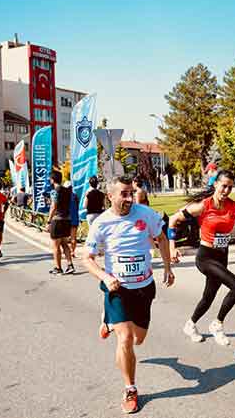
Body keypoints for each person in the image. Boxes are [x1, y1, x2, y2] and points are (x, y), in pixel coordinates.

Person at [83, 176, 174, 414]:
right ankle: (130, 388)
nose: (128, 198)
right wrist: (105, 277)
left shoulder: (145, 213)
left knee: (138, 339)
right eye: (123, 194)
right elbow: (87, 259)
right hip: (117, 289)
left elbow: (162, 238)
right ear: (110, 196)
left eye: (130, 193)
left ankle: (108, 319)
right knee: (124, 339)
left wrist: (167, 267)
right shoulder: (101, 223)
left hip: (144, 287)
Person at [169, 170, 235, 346]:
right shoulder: (203, 206)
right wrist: (172, 248)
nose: (226, 190)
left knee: (208, 296)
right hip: (206, 257)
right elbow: (173, 219)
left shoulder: (232, 206)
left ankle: (190, 324)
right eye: (223, 186)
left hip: (222, 256)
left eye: (230, 187)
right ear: (215, 184)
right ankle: (217, 325)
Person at [47, 171, 74, 275]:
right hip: (67, 219)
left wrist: (48, 221)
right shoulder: (67, 191)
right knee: (65, 243)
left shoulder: (54, 191)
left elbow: (53, 206)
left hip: (57, 220)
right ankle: (70, 265)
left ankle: (58, 267)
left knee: (56, 245)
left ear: (52, 180)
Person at [65, 181, 80, 258]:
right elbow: (77, 206)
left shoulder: (63, 197)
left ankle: (67, 251)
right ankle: (72, 252)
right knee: (73, 237)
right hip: (74, 218)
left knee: (64, 238)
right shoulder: (75, 196)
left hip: (65, 219)